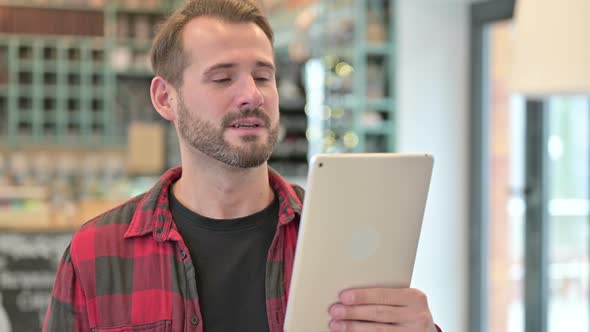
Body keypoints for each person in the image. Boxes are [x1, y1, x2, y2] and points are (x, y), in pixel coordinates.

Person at [43, 0, 442, 331]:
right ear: (166, 98)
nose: (252, 95)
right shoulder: (96, 253)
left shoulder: (338, 238)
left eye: (263, 76)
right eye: (222, 78)